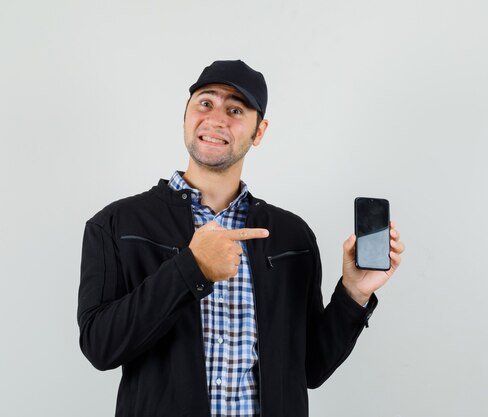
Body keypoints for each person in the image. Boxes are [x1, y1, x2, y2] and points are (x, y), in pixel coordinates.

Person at [78, 59, 405, 417]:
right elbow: (100, 347)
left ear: (259, 132)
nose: (216, 118)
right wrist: (192, 268)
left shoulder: (292, 236)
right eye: (205, 103)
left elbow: (309, 368)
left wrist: (354, 293)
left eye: (235, 109)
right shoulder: (116, 224)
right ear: (186, 116)